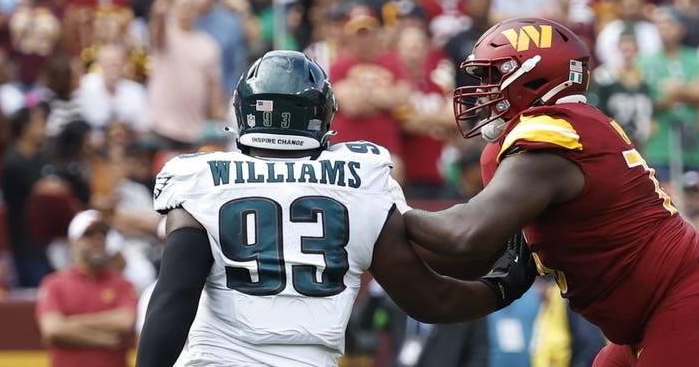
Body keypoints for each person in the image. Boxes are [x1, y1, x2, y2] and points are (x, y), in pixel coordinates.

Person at [135, 50, 537, 367]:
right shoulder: (361, 180)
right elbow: (429, 300)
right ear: (321, 116)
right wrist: (501, 288)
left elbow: (174, 297)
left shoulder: (201, 178)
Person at [403, 18, 699, 366]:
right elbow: (473, 261)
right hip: (660, 312)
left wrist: (388, 212)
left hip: (691, 300)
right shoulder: (558, 136)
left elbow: (465, 234)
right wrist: (381, 244)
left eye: (494, 75)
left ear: (533, 76)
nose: (484, 89)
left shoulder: (550, 138)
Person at [35, 209, 139, 367]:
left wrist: (71, 324)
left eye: (102, 234)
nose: (97, 240)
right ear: (73, 242)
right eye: (89, 235)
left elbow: (124, 322)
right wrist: (105, 339)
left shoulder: (123, 284)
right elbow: (53, 329)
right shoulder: (54, 284)